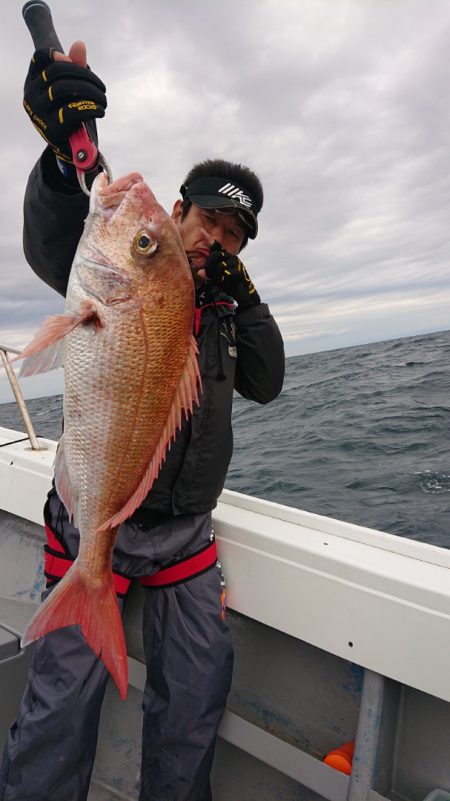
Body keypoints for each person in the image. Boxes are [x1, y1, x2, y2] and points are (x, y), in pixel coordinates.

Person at [0, 42, 285, 801]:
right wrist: (66, 166)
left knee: (196, 697)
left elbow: (270, 381)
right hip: (95, 519)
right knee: (59, 707)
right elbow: (62, 239)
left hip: (186, 537)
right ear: (181, 211)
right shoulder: (126, 269)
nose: (214, 240)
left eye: (233, 236)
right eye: (207, 221)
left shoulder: (223, 311)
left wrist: (245, 298)